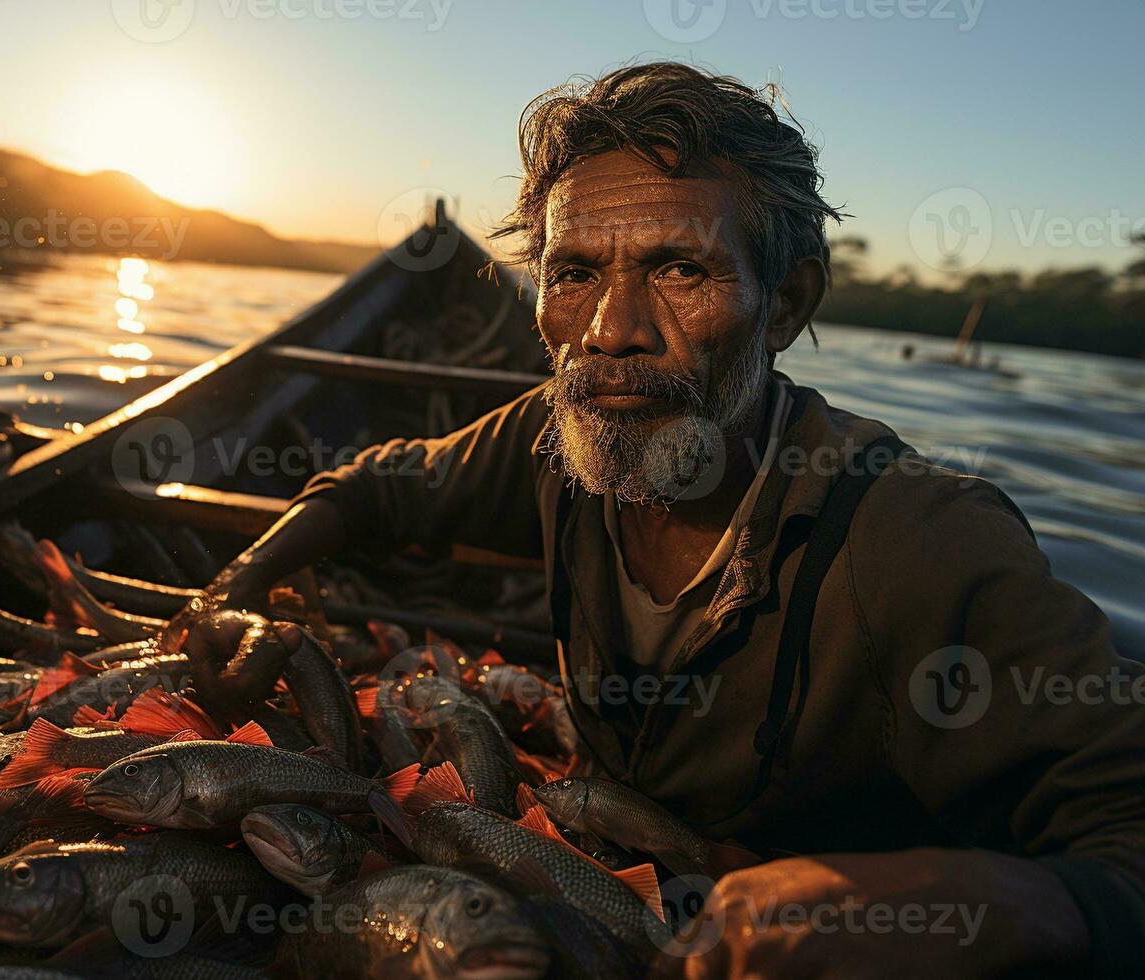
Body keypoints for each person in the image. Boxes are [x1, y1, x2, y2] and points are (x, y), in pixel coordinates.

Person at [167, 63, 1143, 977]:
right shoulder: (559, 438)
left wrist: (984, 893)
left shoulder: (916, 538)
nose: (609, 329)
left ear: (786, 301)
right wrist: (235, 588)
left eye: (680, 270)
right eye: (575, 271)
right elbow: (383, 485)